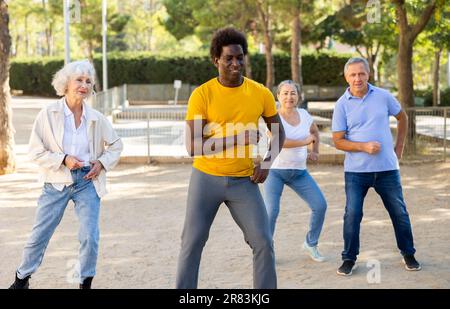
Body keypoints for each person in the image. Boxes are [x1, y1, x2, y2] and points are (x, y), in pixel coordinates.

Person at [175, 27, 285, 289]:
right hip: (206, 179)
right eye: (229, 58)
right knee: (192, 242)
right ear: (217, 60)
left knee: (263, 241)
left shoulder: (261, 93)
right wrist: (237, 139)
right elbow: (193, 146)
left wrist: (268, 164)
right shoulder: (202, 94)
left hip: (243, 182)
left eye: (240, 57)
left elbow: (279, 133)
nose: (235, 63)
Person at [9, 60, 123, 289]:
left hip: (87, 182)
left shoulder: (96, 117)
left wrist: (101, 163)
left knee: (90, 236)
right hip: (56, 182)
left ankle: (85, 282)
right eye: (79, 80)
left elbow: (116, 145)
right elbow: (35, 151)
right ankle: (21, 279)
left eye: (88, 81)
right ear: (66, 84)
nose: (84, 85)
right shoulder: (48, 114)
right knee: (39, 234)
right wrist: (62, 159)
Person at [332, 57, 420, 276]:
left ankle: (408, 253)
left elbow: (402, 118)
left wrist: (399, 147)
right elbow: (338, 140)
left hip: (387, 170)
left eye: (361, 73)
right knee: (352, 215)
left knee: (399, 212)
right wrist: (363, 146)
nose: (357, 78)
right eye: (353, 74)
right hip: (356, 172)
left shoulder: (383, 96)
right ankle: (349, 258)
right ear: (346, 77)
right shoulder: (341, 104)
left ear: (368, 74)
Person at [263, 80, 328, 262]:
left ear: (298, 96)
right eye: (285, 93)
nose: (289, 97)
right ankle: (265, 252)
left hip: (299, 172)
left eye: (293, 93)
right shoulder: (273, 116)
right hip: (275, 170)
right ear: (278, 96)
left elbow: (314, 133)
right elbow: (279, 141)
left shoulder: (305, 115)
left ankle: (311, 243)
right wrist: (305, 143)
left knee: (320, 206)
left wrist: (315, 151)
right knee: (271, 212)